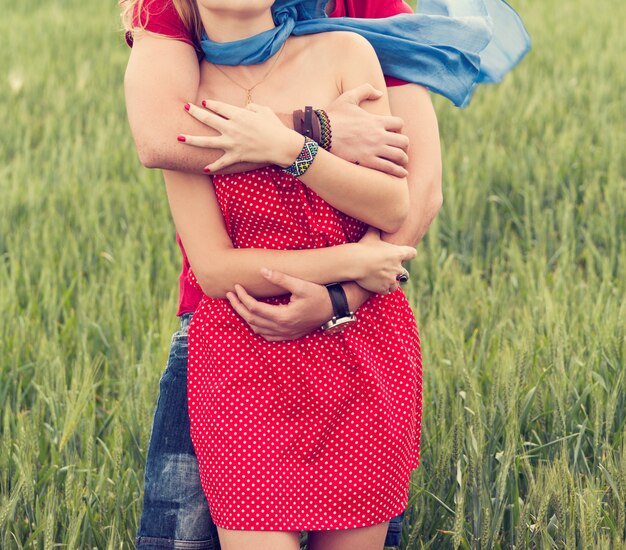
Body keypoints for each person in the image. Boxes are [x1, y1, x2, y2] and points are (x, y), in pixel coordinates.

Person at [121, 1, 529, 548]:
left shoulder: (349, 44)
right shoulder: (182, 78)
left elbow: (408, 197)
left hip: (359, 348)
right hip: (244, 345)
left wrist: (293, 152)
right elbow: (165, 153)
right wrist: (319, 138)